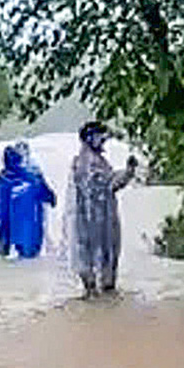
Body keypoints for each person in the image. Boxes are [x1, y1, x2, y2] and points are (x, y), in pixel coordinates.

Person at [65, 121, 137, 297]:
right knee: (104, 257)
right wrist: (129, 172)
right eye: (100, 137)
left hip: (88, 221)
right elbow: (111, 184)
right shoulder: (91, 163)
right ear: (90, 138)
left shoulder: (82, 161)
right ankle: (104, 297)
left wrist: (127, 173)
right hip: (99, 221)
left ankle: (94, 298)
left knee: (89, 257)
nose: (103, 141)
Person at [10, 142, 56, 258]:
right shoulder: (32, 169)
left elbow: (42, 185)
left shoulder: (13, 172)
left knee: (28, 239)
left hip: (28, 211)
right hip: (30, 211)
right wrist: (50, 197)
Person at [0, 146, 24, 256]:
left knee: (4, 245)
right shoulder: (25, 175)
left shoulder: (3, 177)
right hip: (16, 218)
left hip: (5, 219)